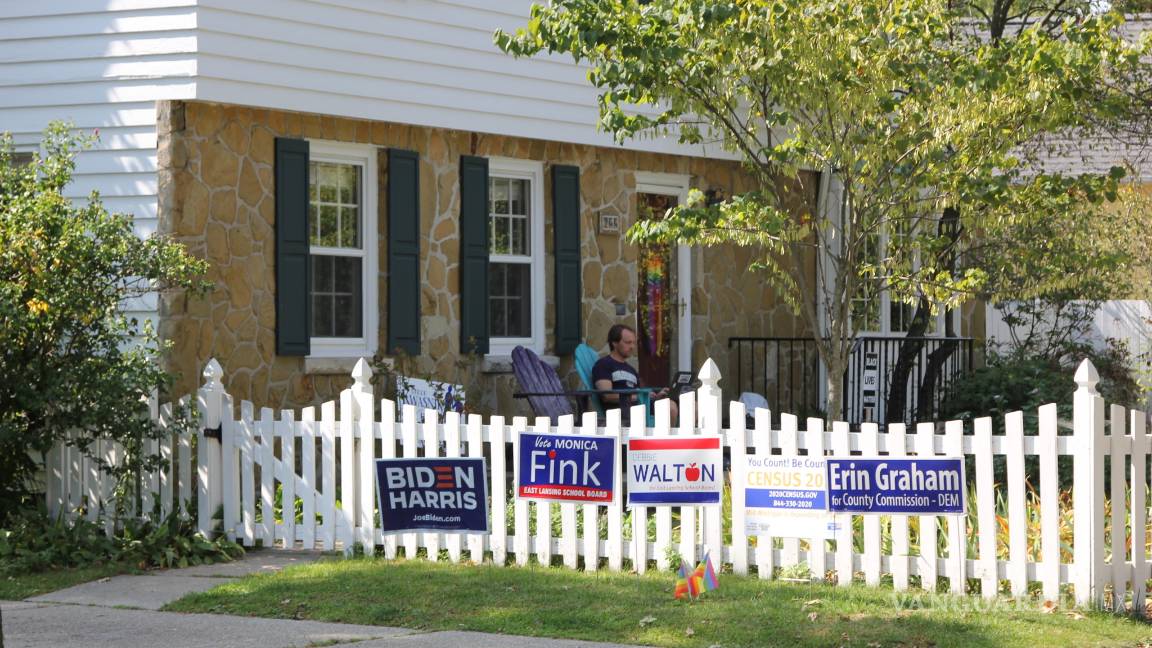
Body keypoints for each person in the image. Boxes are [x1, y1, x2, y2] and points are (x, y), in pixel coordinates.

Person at [591, 323, 678, 423]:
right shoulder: (603, 365)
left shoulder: (631, 369)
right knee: (670, 407)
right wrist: (640, 397)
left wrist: (656, 397)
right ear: (614, 343)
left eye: (633, 343)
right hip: (622, 411)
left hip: (639, 407)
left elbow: (639, 391)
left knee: (683, 405)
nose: (632, 347)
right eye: (628, 342)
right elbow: (607, 396)